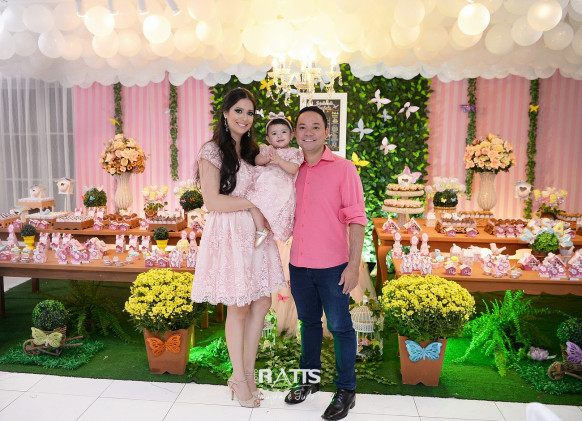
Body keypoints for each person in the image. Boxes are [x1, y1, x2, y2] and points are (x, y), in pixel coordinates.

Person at [191, 87, 286, 408]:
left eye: (250, 113)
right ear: (225, 114)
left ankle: (246, 374)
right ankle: (240, 379)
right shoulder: (212, 151)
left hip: (256, 235)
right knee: (240, 304)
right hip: (231, 233)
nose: (245, 118)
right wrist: (253, 205)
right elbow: (212, 201)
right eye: (239, 111)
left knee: (262, 301)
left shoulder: (250, 151)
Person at [284, 106, 367, 421]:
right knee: (308, 324)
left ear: (326, 132)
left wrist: (353, 265)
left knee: (340, 327)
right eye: (302, 127)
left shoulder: (344, 169)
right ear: (295, 132)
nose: (308, 133)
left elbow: (357, 219)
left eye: (315, 127)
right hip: (299, 264)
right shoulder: (291, 169)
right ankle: (310, 380)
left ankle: (347, 390)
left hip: (334, 266)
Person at [247, 111, 304, 247]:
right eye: (274, 133)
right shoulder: (268, 150)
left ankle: (267, 226)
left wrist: (280, 161)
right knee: (251, 199)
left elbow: (293, 169)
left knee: (271, 206)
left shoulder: (293, 152)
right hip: (266, 181)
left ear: (291, 135)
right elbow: (257, 160)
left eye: (283, 132)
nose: (279, 136)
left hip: (281, 185)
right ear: (268, 139)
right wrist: (266, 158)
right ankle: (261, 228)